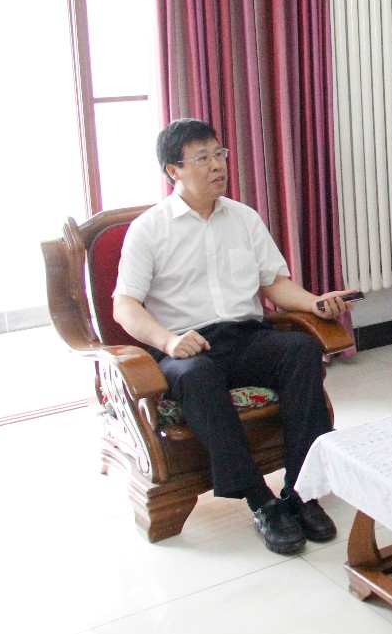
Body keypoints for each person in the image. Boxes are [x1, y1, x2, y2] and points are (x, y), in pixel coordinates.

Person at [113, 118, 360, 555]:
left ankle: (300, 491)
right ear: (173, 171)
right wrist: (168, 342)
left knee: (301, 349)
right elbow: (125, 305)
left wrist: (314, 302)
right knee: (197, 375)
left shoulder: (243, 218)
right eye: (202, 158)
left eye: (219, 154)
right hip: (186, 347)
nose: (217, 166)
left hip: (245, 337)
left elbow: (274, 284)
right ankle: (261, 502)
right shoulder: (149, 229)